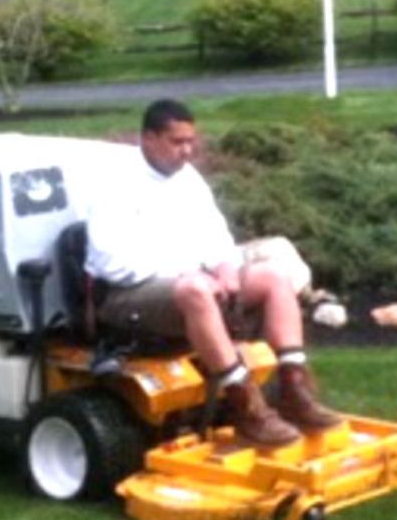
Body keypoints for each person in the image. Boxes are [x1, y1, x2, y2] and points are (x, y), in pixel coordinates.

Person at [85, 99, 341, 447]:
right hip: (125, 299)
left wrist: (226, 268)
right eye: (178, 142)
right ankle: (246, 408)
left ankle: (293, 391)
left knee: (273, 277)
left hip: (191, 287)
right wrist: (192, 275)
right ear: (148, 138)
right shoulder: (114, 186)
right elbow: (112, 263)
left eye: (192, 141)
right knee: (195, 289)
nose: (188, 151)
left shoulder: (187, 179)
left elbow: (216, 237)